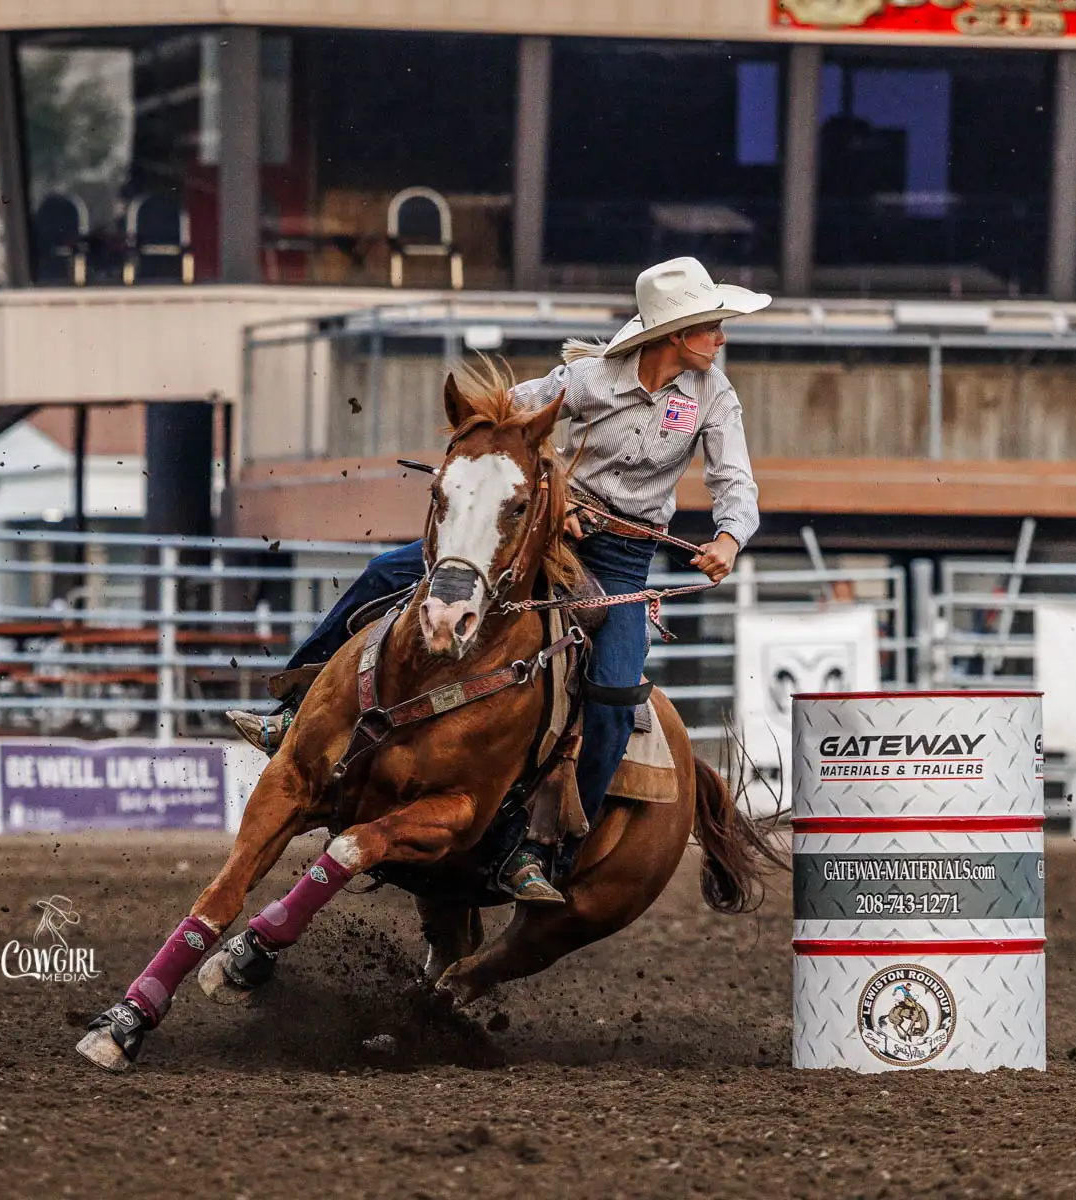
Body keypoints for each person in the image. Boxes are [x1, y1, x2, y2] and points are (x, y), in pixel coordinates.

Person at [227, 257, 767, 901]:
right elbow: (502, 423)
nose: (721, 337)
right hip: (542, 539)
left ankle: (546, 843)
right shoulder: (589, 380)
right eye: (711, 325)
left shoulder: (714, 396)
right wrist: (548, 490)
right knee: (382, 574)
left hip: (622, 559)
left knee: (617, 696)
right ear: (675, 333)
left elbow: (734, 480)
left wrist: (729, 539)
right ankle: (293, 707)